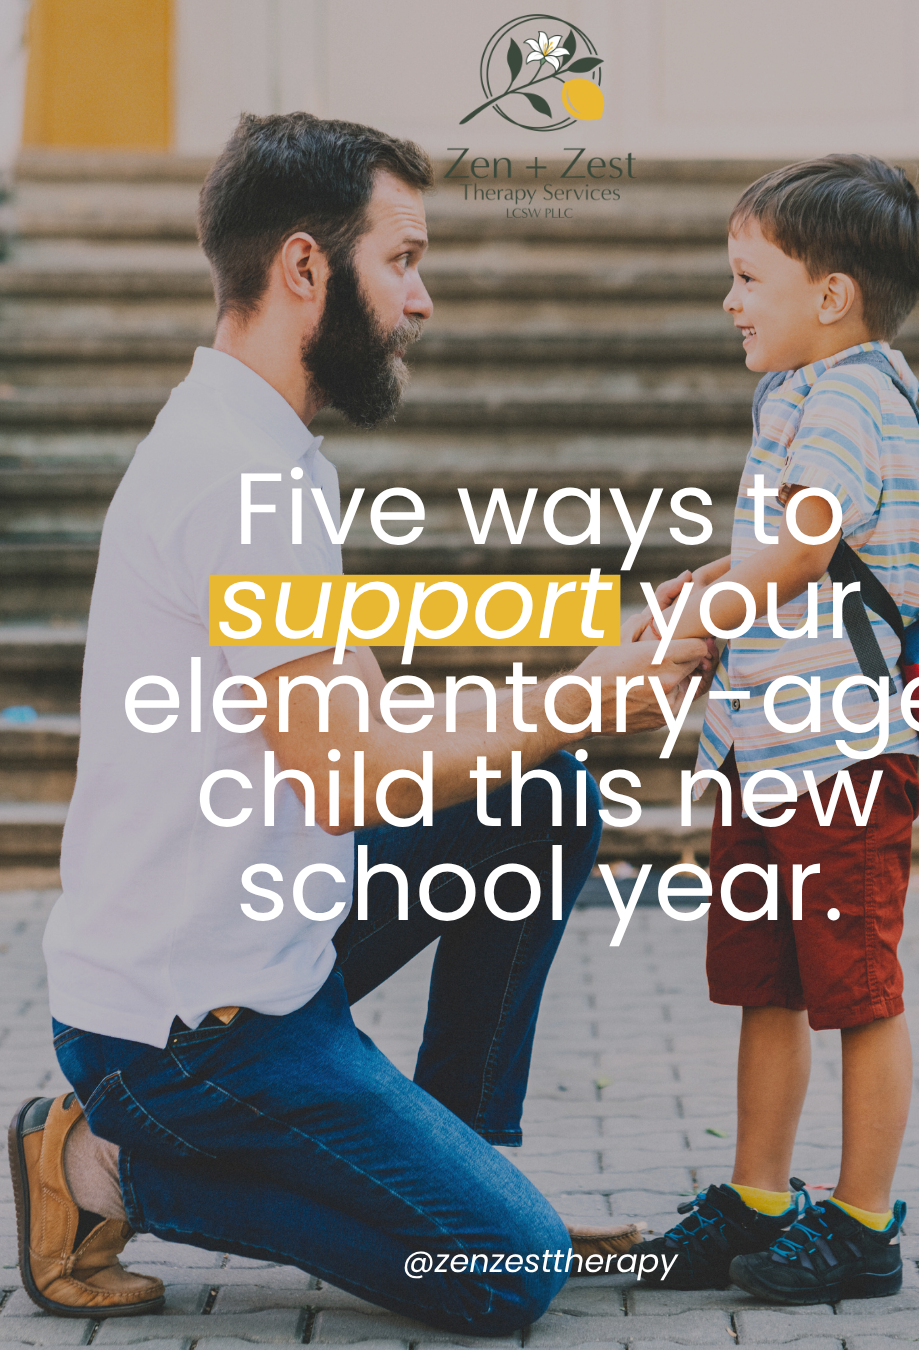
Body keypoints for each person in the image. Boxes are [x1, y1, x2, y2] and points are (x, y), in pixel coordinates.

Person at [8, 113, 708, 1334]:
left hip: (268, 939)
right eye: (404, 259)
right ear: (303, 268)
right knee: (506, 1274)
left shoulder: (268, 452)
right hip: (187, 1039)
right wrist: (585, 695)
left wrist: (572, 700)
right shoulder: (238, 479)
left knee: (537, 796)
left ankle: (460, 1160)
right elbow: (346, 778)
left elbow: (373, 729)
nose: (422, 301)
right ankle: (101, 1164)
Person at [627, 155, 919, 1301]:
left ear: (832, 293)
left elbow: (810, 546)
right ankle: (759, 1199)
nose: (731, 300)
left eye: (747, 275)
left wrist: (704, 610)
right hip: (765, 754)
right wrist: (707, 585)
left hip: (846, 760)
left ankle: (862, 1228)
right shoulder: (796, 395)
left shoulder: (859, 389)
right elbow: (789, 544)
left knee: (858, 989)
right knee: (768, 984)